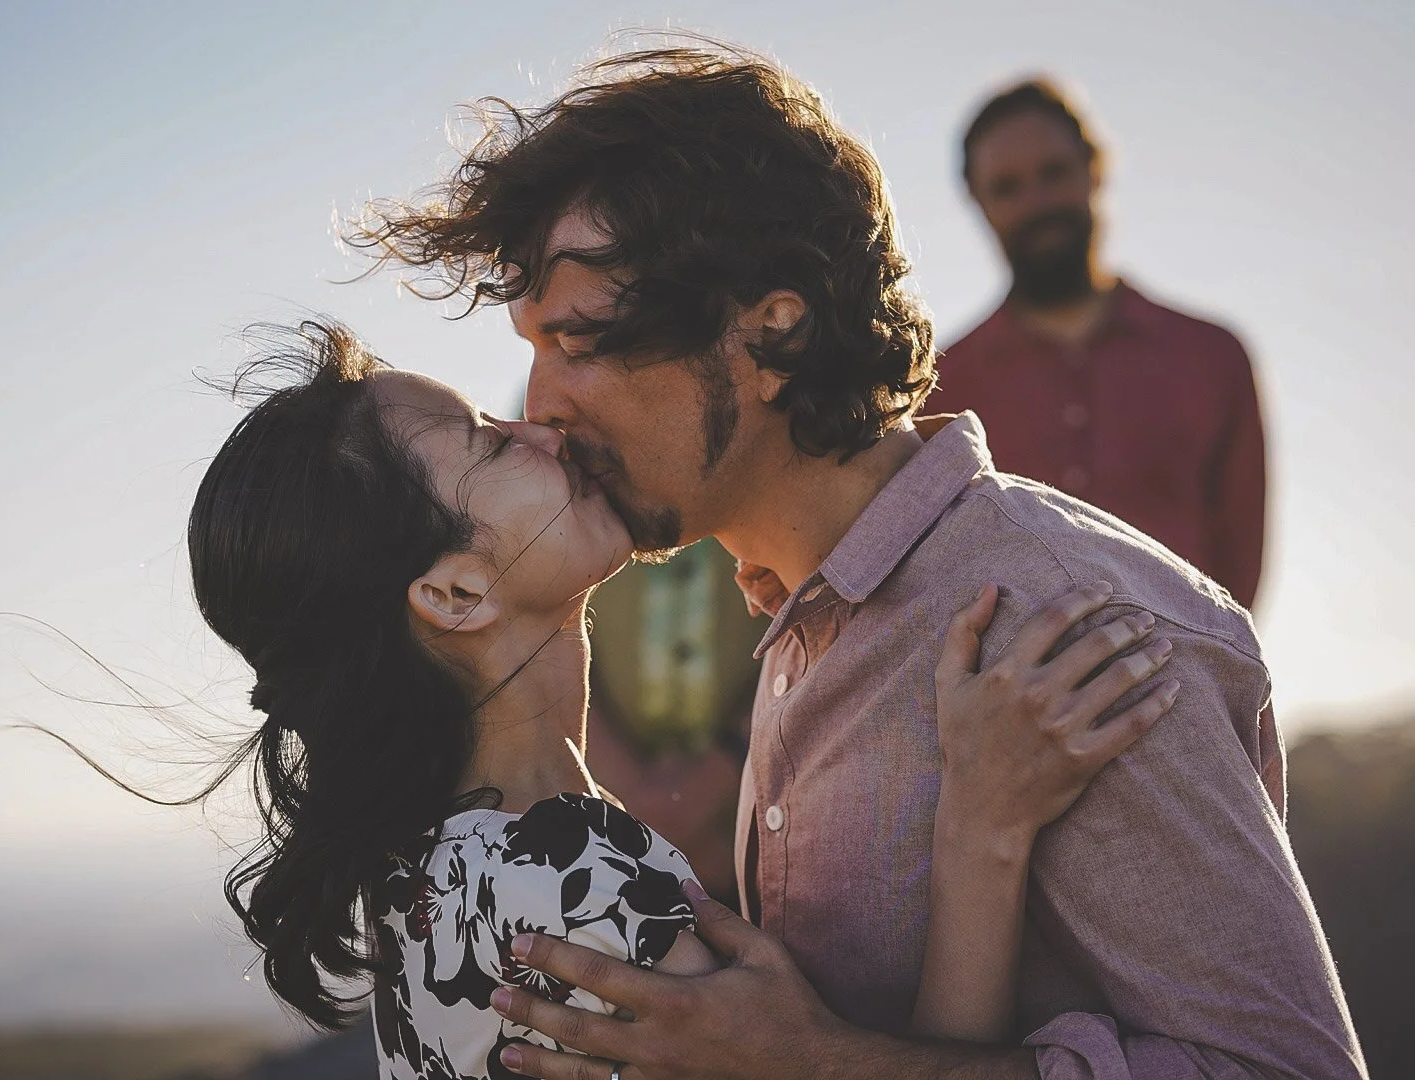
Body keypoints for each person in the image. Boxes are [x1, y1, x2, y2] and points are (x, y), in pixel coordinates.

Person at [353, 41, 1365, 1079]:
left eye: (576, 343)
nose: (539, 409)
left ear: (768, 330)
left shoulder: (1061, 626)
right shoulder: (800, 620)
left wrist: (822, 1063)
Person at [183, 321, 1172, 1078]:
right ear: (453, 594)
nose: (536, 426)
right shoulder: (564, 875)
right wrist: (982, 827)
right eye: (487, 445)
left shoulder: (440, 874)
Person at [926, 79, 1267, 610]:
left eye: (1053, 173)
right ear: (979, 203)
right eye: (1008, 187)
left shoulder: (1213, 358)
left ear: (1095, 169)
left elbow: (1242, 562)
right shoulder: (939, 389)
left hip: (1189, 685)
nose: (1036, 202)